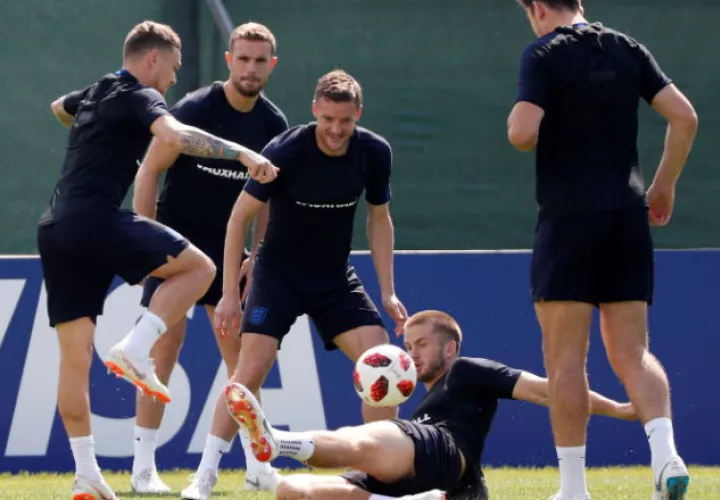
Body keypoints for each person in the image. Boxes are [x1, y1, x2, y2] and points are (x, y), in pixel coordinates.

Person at [40, 20, 278, 500]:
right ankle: (133, 348)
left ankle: (86, 473)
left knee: (74, 360)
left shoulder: (99, 91)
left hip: (55, 228)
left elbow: (59, 109)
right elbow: (174, 136)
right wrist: (242, 154)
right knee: (202, 268)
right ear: (153, 60)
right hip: (98, 219)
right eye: (173, 67)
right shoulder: (141, 96)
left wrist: (100, 132)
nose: (173, 78)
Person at [182, 68, 408, 499]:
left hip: (333, 275)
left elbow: (379, 219)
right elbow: (238, 218)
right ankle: (205, 475)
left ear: (358, 114)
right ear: (314, 112)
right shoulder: (286, 148)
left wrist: (388, 290)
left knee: (381, 362)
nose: (336, 130)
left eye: (345, 121)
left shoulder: (374, 152)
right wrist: (230, 294)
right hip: (278, 273)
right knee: (247, 372)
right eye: (327, 120)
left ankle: (378, 478)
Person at [506, 1, 698, 499]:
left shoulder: (542, 53)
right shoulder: (627, 47)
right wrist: (663, 187)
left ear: (537, 8)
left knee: (566, 360)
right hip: (627, 217)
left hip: (570, 220)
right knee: (633, 351)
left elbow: (522, 133)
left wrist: (525, 123)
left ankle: (573, 489)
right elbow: (685, 117)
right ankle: (666, 454)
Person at [222, 310, 637, 500]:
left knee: (366, 437)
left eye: (420, 345)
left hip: (447, 457)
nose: (411, 354)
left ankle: (277, 442)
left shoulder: (470, 371)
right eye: (407, 346)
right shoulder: (421, 403)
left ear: (450, 348)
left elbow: (553, 391)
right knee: (291, 491)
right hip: (417, 475)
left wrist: (619, 409)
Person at [129, 22, 288, 495]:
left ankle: (257, 466)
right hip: (176, 252)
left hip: (229, 256)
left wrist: (256, 256)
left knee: (245, 362)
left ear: (271, 66)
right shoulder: (193, 108)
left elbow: (270, 202)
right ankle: (142, 471)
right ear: (228, 60)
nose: (251, 68)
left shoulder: (273, 125)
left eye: (260, 61)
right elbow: (148, 173)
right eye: (243, 59)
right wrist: (148, 242)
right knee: (161, 354)